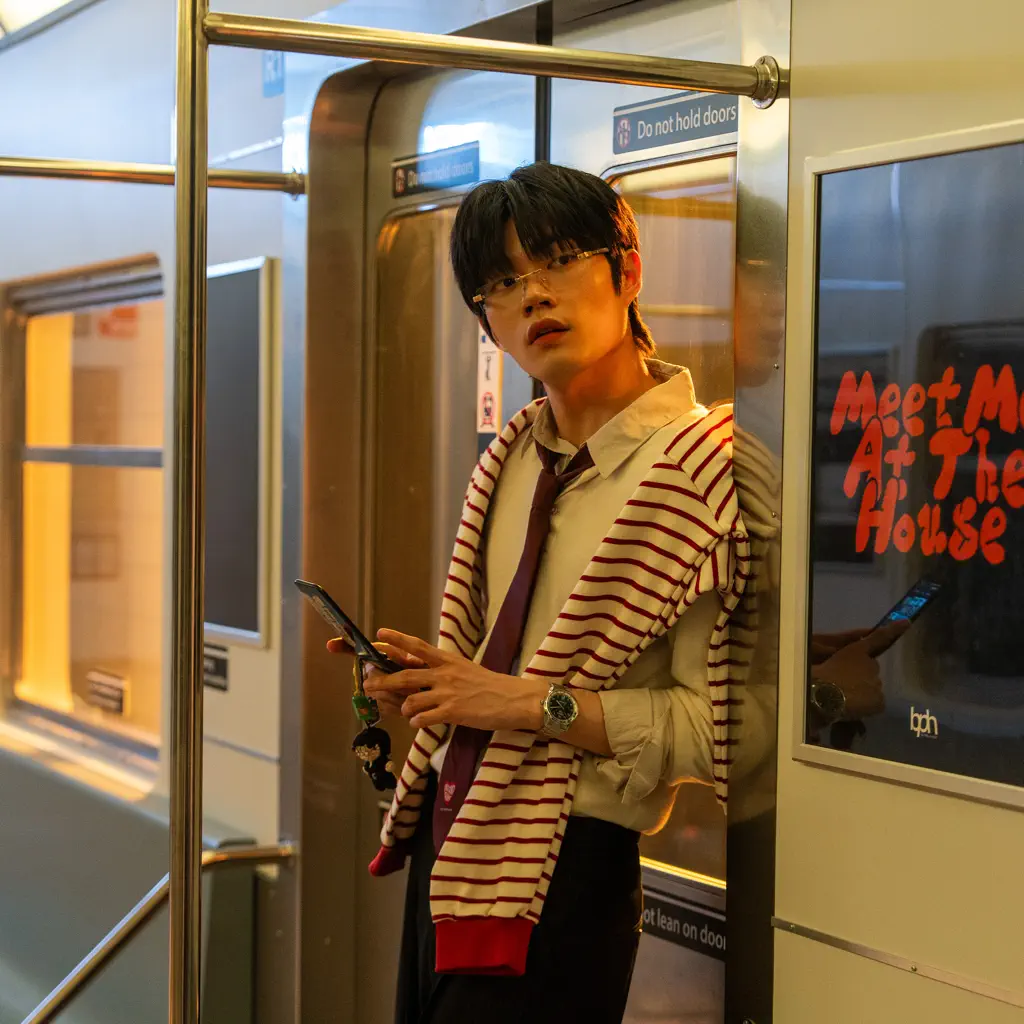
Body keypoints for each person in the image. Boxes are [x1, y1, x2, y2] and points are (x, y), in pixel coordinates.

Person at [328, 161, 749, 1024]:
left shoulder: (703, 474)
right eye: (502, 282)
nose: (533, 297)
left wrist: (521, 703)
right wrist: (439, 687)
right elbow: (495, 670)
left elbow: (722, 730)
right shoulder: (514, 458)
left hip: (569, 863)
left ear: (628, 270)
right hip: (453, 843)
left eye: (557, 261)